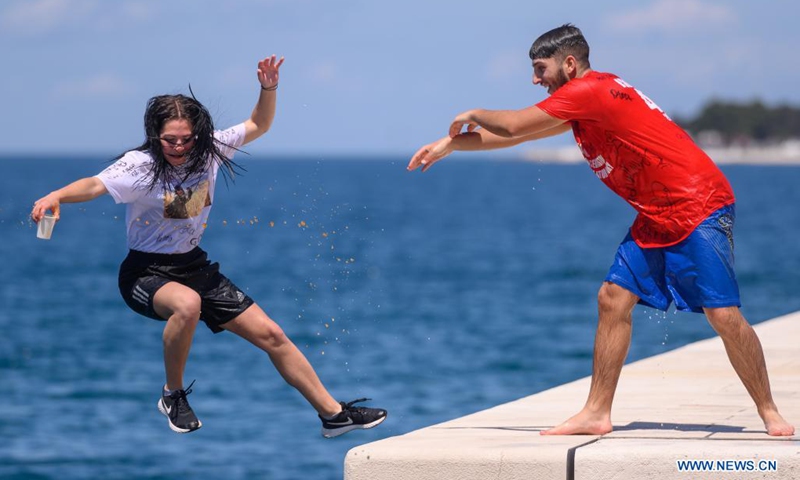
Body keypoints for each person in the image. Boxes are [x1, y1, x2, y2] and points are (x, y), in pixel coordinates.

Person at [407, 24, 794, 437]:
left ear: (569, 64)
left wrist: (471, 113)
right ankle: (596, 412)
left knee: (722, 313)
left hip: (699, 203)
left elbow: (515, 125)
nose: (535, 79)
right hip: (657, 211)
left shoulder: (590, 91)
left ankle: (769, 411)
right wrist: (449, 145)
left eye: (541, 69)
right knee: (612, 298)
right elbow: (516, 136)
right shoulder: (584, 101)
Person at [30, 55, 387, 437]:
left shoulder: (212, 149)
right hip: (145, 273)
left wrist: (268, 89)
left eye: (187, 139)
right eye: (170, 140)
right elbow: (94, 185)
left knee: (273, 336)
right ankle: (173, 394)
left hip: (195, 268)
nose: (180, 147)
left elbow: (259, 124)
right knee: (187, 304)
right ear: (156, 135)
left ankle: (333, 415)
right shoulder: (138, 166)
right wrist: (57, 196)